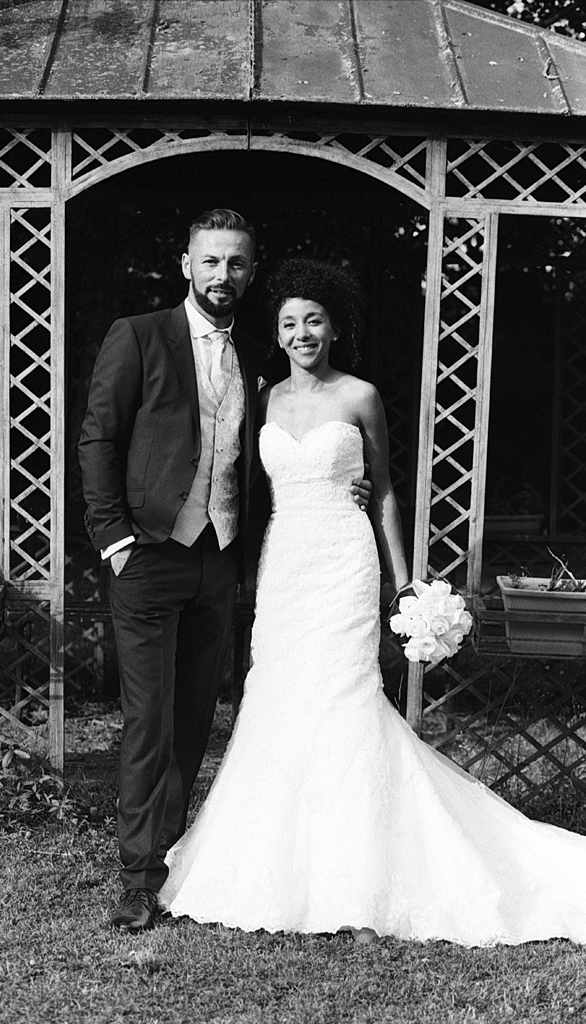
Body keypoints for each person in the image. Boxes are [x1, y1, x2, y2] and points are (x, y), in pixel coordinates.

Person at [160, 257, 586, 947]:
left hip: (344, 561)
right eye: (289, 322)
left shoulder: (358, 395)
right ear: (276, 331)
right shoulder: (261, 397)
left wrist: (401, 580)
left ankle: (354, 878)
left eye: (314, 321)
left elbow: (382, 487)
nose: (302, 333)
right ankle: (270, 866)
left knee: (345, 699)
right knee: (277, 695)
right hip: (284, 561)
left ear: (333, 327)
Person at [78, 214, 372, 933]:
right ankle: (137, 879)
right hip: (147, 557)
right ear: (185, 263)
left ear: (249, 271)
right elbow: (99, 437)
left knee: (191, 723)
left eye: (237, 265)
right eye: (211, 262)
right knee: (148, 721)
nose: (223, 277)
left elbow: (271, 451)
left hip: (219, 563)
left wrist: (342, 486)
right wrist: (114, 538)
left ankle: (175, 858)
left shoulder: (256, 359)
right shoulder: (139, 335)